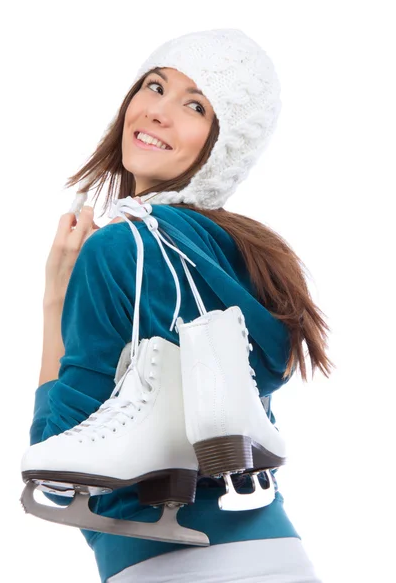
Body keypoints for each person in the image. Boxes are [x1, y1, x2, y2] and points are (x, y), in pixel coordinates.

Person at [29, 29, 333, 583]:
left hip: (169, 565)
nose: (157, 113)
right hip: (277, 554)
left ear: (223, 143)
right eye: (154, 86)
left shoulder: (121, 246)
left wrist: (56, 298)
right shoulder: (247, 253)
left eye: (195, 105)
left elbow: (59, 473)